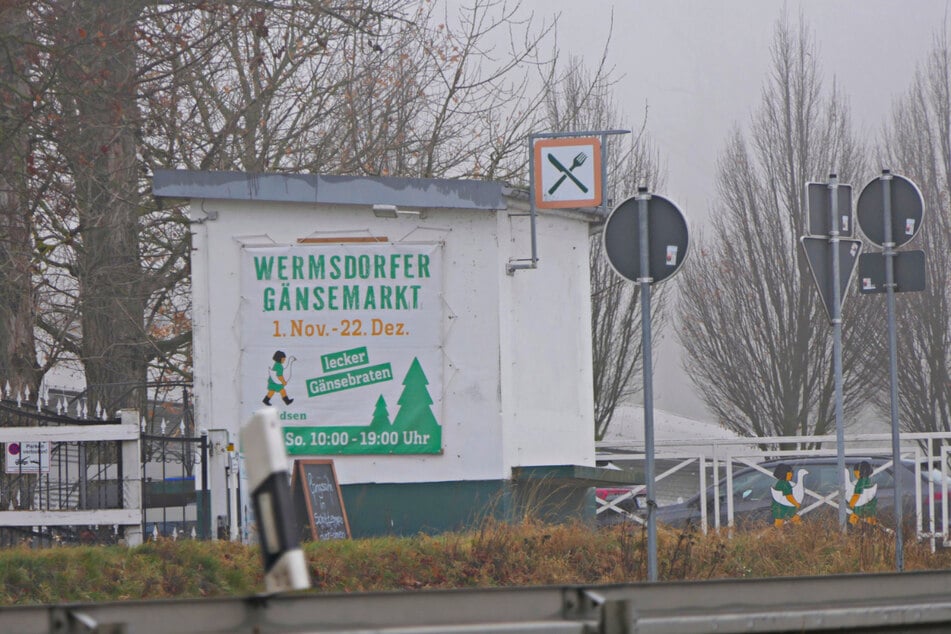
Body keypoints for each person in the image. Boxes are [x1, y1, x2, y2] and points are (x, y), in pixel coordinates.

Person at [848, 461, 878, 526]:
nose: (854, 474)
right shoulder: (868, 480)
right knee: (870, 520)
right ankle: (873, 530)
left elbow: (857, 495)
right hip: (870, 505)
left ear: (859, 472)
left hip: (861, 507)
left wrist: (851, 503)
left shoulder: (860, 482)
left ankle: (851, 531)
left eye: (855, 471)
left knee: (853, 519)